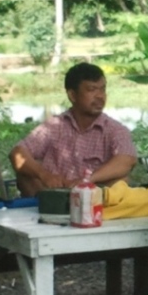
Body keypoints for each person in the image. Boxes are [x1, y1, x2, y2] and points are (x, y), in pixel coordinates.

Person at [9, 62, 137, 197]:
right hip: (53, 198)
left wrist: (87, 180)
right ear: (72, 95)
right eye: (91, 90)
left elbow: (127, 160)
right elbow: (17, 154)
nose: (100, 96)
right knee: (25, 175)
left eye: (102, 89)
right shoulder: (54, 126)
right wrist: (44, 175)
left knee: (121, 180)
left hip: (93, 202)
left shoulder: (115, 130)